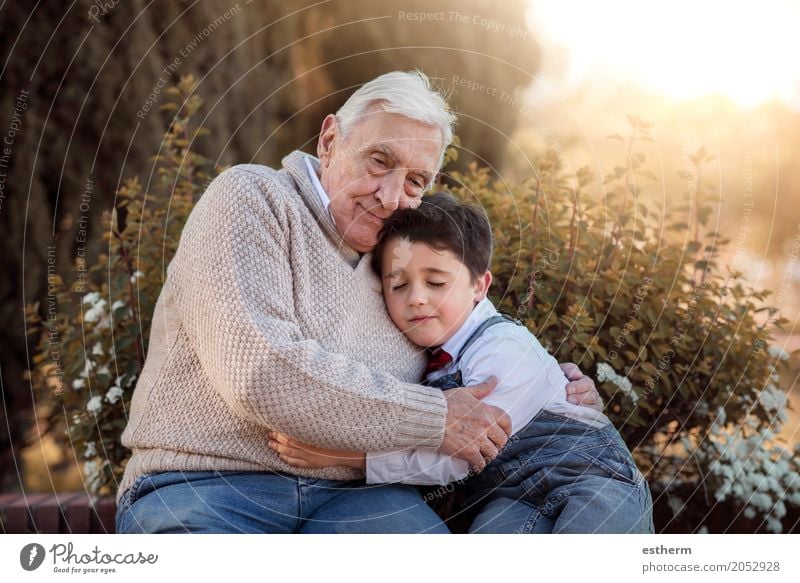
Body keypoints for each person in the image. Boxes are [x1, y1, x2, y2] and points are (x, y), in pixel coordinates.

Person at [115, 70, 603, 534]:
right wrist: (434, 418)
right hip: (206, 483)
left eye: (415, 181)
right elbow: (259, 373)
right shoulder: (252, 197)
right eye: (379, 161)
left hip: (357, 496)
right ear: (330, 141)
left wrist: (557, 393)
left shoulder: (399, 263)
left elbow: (472, 344)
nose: (392, 196)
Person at [268, 193, 654, 533]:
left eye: (436, 283)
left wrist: (342, 456)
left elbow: (457, 458)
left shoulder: (502, 347)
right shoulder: (427, 364)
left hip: (593, 481)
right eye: (398, 285)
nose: (416, 299)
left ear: (479, 287)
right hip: (511, 497)